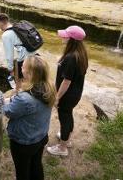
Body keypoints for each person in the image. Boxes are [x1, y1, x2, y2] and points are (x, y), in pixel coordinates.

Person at [3, 55, 56, 180]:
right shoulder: (49, 87)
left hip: (24, 142)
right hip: (41, 136)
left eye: (23, 66)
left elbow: (9, 111)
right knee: (36, 164)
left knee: (22, 171)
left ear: (30, 73)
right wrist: (11, 99)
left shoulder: (25, 98)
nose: (21, 67)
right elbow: (24, 103)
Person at [47, 25, 88, 157]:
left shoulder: (71, 57)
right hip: (75, 93)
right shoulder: (81, 54)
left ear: (72, 40)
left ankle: (62, 148)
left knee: (64, 118)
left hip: (67, 95)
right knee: (68, 114)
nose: (63, 37)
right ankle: (67, 138)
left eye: (66, 36)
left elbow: (66, 81)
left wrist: (57, 97)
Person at [0, 13, 34, 89]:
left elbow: (9, 55)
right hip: (34, 55)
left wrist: (10, 69)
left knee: (20, 83)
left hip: (25, 59)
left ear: (1, 22)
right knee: (31, 81)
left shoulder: (6, 35)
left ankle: (20, 96)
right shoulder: (16, 28)